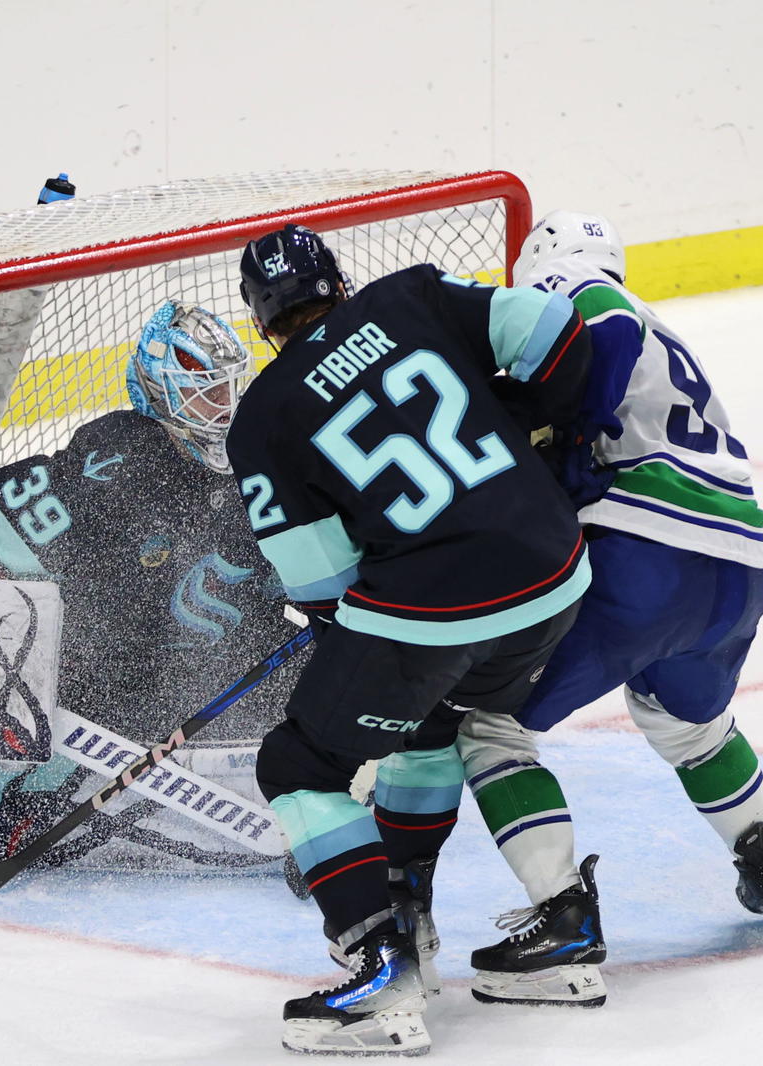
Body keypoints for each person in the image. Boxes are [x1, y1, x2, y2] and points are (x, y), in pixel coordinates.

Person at [227, 223, 594, 1056]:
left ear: (260, 319)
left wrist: (360, 648)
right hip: (556, 575)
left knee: (297, 763)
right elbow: (554, 333)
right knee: (435, 724)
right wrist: (528, 428)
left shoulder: (264, 419)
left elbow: (319, 587)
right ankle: (434, 923)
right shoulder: (412, 297)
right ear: (340, 283)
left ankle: (381, 968)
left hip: (436, 610)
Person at [448, 209, 763, 1010]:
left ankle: (562, 921)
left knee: (487, 725)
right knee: (692, 728)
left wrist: (574, 433)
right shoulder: (670, 337)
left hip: (646, 558)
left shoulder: (581, 294)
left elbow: (601, 325)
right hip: (740, 571)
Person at [0, 298, 303, 871]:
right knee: (113, 672)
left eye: (230, 389)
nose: (224, 407)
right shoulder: (119, 458)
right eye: (206, 391)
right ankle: (6, 813)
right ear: (161, 389)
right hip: (37, 605)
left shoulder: (248, 456)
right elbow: (102, 609)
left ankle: (324, 808)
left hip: (146, 622)